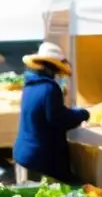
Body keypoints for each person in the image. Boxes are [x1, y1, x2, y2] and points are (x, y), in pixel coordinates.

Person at [13, 42, 90, 184]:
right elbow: (58, 119)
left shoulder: (29, 86)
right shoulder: (50, 88)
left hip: (23, 153)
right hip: (42, 158)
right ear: (53, 68)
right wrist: (82, 114)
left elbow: (47, 114)